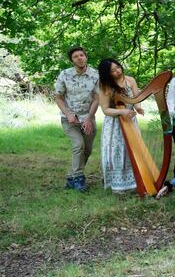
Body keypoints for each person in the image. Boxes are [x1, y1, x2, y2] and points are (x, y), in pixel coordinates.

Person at [54, 46, 99, 192]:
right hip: (70, 119)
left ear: (86, 57)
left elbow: (97, 99)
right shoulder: (65, 74)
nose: (79, 58)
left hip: (88, 117)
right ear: (72, 60)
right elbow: (58, 97)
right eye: (75, 56)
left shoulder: (96, 75)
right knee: (78, 145)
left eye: (81, 55)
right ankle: (79, 178)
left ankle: (71, 177)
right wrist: (68, 114)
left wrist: (89, 119)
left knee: (87, 150)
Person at [97, 58, 143, 194]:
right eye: (113, 71)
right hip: (114, 124)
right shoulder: (105, 85)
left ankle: (135, 182)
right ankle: (118, 185)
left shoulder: (130, 80)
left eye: (118, 67)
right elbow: (105, 110)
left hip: (131, 122)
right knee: (117, 152)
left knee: (133, 151)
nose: (118, 71)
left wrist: (138, 107)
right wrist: (121, 111)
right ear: (107, 74)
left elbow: (136, 99)